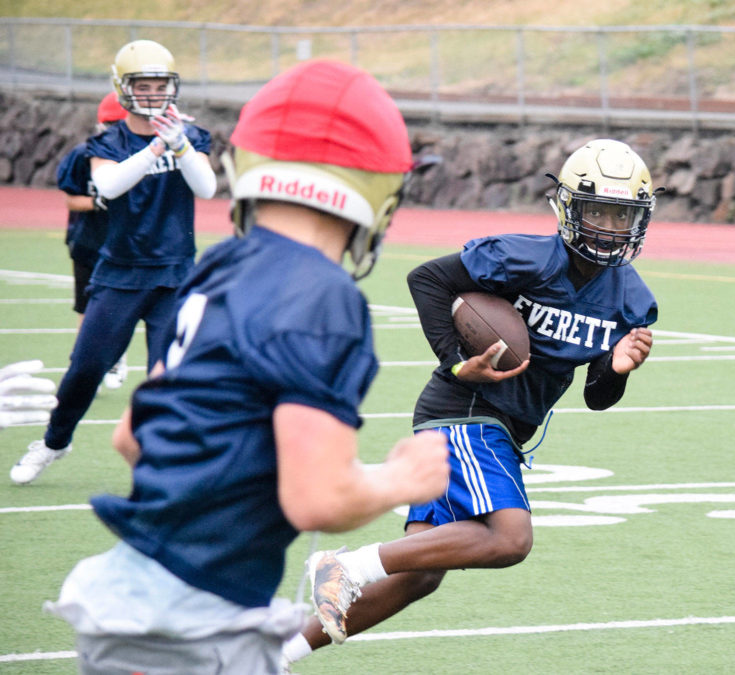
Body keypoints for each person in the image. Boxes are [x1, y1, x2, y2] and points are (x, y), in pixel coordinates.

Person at [44, 59, 450, 674]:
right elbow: (317, 498)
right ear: (375, 191)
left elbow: (133, 437)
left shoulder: (216, 267)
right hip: (197, 623)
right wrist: (403, 480)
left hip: (123, 596)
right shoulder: (323, 297)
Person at [284, 138, 658, 666]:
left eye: (622, 216)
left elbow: (598, 396)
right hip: (466, 407)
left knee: (417, 575)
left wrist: (617, 369)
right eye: (597, 211)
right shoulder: (525, 257)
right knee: (509, 538)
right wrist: (458, 360)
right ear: (569, 208)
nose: (608, 227)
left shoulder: (631, 298)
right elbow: (428, 279)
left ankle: (277, 652)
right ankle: (347, 566)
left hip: (503, 424)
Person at [11, 39, 217, 485]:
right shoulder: (109, 140)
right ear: (124, 87)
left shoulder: (189, 136)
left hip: (175, 275)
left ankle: (168, 463)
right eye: (143, 84)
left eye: (160, 84)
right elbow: (107, 187)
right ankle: (53, 442)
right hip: (122, 272)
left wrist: (179, 145)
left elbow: (206, 189)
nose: (152, 93)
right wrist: (155, 150)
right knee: (87, 367)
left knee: (170, 379)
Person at [55, 92, 129, 391]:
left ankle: (113, 358)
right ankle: (82, 365)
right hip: (87, 243)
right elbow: (71, 200)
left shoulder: (139, 155)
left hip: (125, 247)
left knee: (120, 309)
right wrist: (100, 201)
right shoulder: (83, 154)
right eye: (111, 124)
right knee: (85, 309)